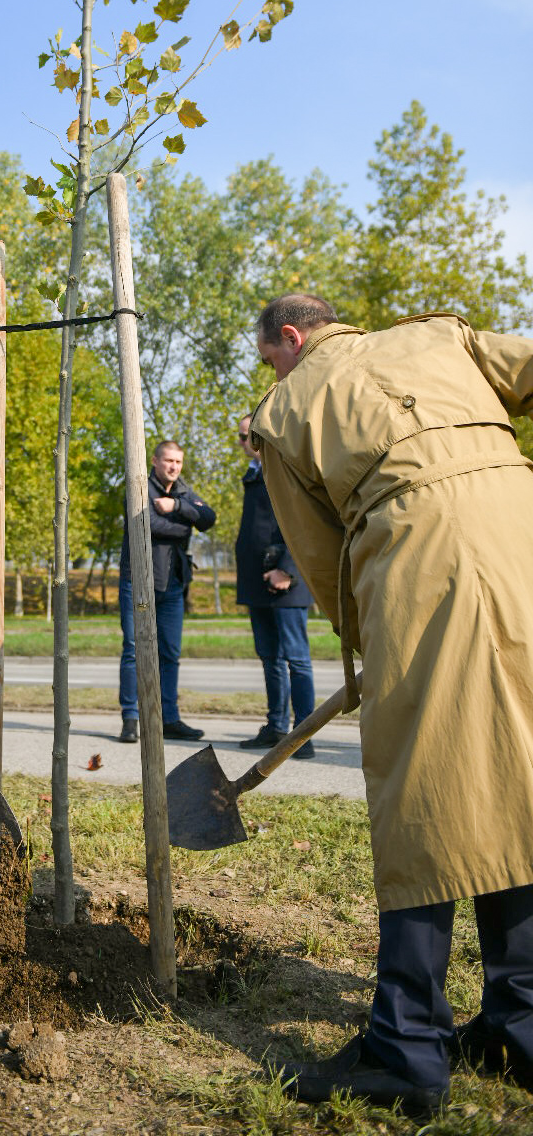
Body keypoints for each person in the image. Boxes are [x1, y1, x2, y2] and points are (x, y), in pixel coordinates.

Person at [251, 292, 533, 1115]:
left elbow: (320, 555)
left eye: (269, 359)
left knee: (423, 795)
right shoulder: (442, 336)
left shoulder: (284, 412)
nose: (271, 374)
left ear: (292, 338)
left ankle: (406, 1049)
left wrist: (368, 639)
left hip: (421, 566)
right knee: (518, 780)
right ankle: (521, 1025)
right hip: (521, 543)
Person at [117, 440, 215, 744]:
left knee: (170, 653)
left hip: (172, 585)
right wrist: (186, 526)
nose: (174, 466)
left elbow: (209, 518)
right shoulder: (139, 487)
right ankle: (131, 719)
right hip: (138, 580)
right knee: (134, 649)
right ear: (155, 461)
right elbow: (149, 524)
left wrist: (179, 508)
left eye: (178, 462)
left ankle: (169, 718)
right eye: (169, 460)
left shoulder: (183, 492)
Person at [234, 415, 316, 758]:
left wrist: (287, 569)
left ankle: (303, 735)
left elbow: (306, 524)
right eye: (241, 437)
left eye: (249, 435)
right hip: (258, 581)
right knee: (270, 658)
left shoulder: (289, 470)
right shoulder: (254, 474)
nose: (245, 442)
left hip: (287, 580)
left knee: (296, 658)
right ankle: (277, 727)